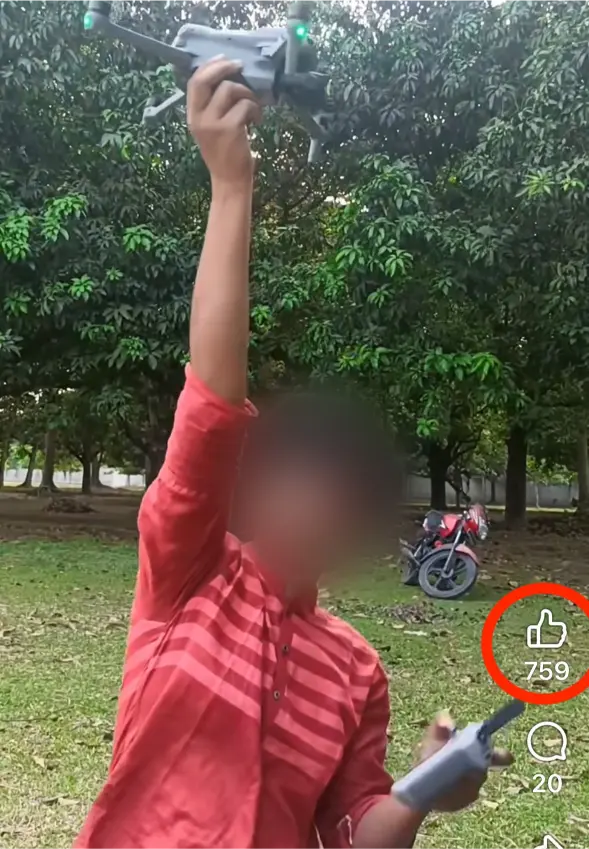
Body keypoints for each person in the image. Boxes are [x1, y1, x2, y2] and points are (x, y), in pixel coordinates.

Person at [74, 57, 513, 849]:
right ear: (256, 485)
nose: (317, 510)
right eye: (301, 483)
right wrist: (231, 186)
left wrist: (423, 790)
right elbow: (212, 404)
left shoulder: (354, 669)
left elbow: (353, 832)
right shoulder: (188, 572)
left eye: (340, 498)